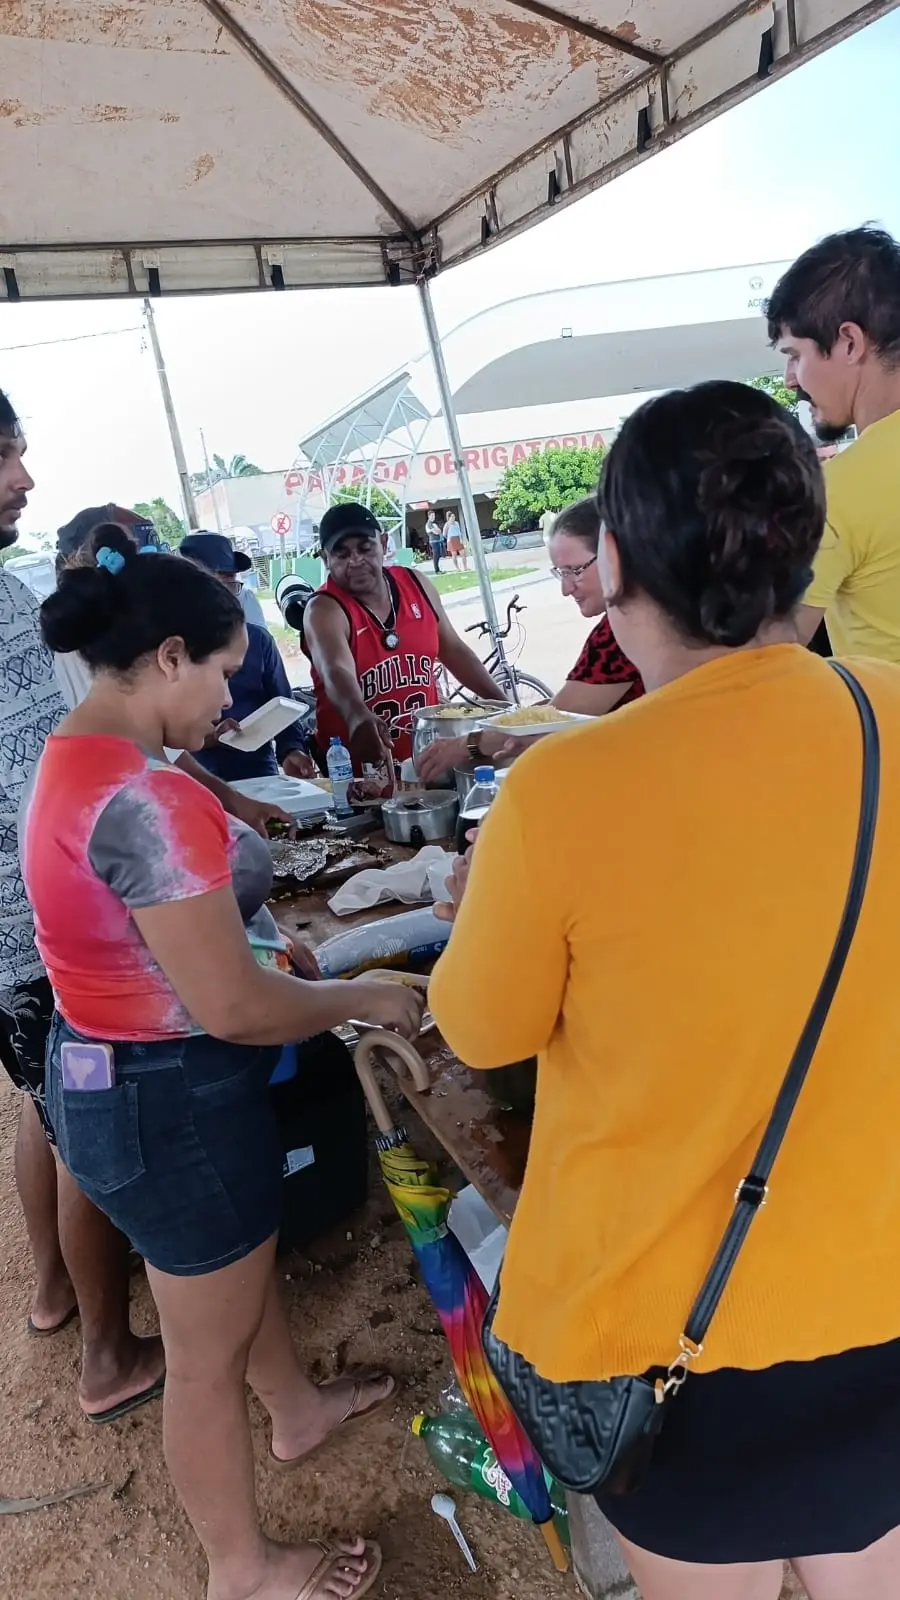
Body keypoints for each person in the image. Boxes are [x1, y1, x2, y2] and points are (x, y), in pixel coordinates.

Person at [429, 379, 900, 1600]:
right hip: (882, 1290)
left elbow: (480, 1026)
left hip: (666, 1333)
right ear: (802, 549)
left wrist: (483, 905)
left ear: (620, 561)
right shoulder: (890, 713)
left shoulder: (562, 794)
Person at [25, 523, 423, 1600]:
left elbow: (149, 934)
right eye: (221, 672)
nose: (230, 701)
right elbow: (236, 1008)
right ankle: (241, 1569)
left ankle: (295, 1408)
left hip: (98, 1070)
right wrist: (365, 995)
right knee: (202, 1357)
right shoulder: (146, 800)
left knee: (228, 1276)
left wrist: (261, 942)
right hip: (172, 1098)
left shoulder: (80, 754)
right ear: (169, 657)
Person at [0, 405, 168, 1419]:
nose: (23, 476)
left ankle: (57, 1290)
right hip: (30, 930)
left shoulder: (10, 592)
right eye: (3, 455)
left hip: (25, 925)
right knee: (84, 1121)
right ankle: (108, 1354)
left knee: (43, 1103)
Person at [416, 496, 642, 783]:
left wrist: (467, 745)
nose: (565, 588)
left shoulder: (627, 625)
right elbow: (560, 708)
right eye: (560, 573)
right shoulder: (648, 611)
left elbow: (558, 717)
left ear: (614, 553)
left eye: (574, 570)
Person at [767, 225, 900, 659]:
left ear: (849, 343)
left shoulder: (840, 490)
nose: (790, 380)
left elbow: (761, 663)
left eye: (794, 355)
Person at [301, 502, 502, 769]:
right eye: (342, 554)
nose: (356, 561)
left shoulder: (417, 584)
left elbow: (454, 651)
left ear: (384, 544)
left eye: (365, 548)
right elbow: (335, 670)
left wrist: (505, 707)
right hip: (357, 772)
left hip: (427, 760)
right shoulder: (323, 609)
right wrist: (357, 716)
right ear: (325, 559)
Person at [180, 533, 315, 783]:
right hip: (193, 779)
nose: (228, 597)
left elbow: (283, 704)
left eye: (232, 585)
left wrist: (291, 750)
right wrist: (212, 738)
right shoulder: (170, 651)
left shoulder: (258, 641)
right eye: (218, 585)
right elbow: (160, 736)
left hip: (259, 773)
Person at [444, 508, 467, 573]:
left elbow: (459, 531)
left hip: (458, 538)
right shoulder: (447, 524)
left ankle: (465, 567)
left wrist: (461, 539)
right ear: (449, 517)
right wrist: (449, 539)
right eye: (452, 516)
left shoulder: (457, 523)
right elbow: (444, 534)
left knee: (463, 553)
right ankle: (457, 568)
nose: (453, 517)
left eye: (454, 516)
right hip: (451, 540)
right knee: (454, 555)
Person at [425, 510, 444, 574]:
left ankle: (438, 570)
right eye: (432, 515)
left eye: (434, 515)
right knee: (436, 556)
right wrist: (437, 530)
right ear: (429, 516)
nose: (433, 517)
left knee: (438, 555)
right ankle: (437, 570)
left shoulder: (433, 524)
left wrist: (438, 530)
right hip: (433, 541)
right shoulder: (429, 523)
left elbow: (440, 531)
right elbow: (436, 532)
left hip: (437, 541)